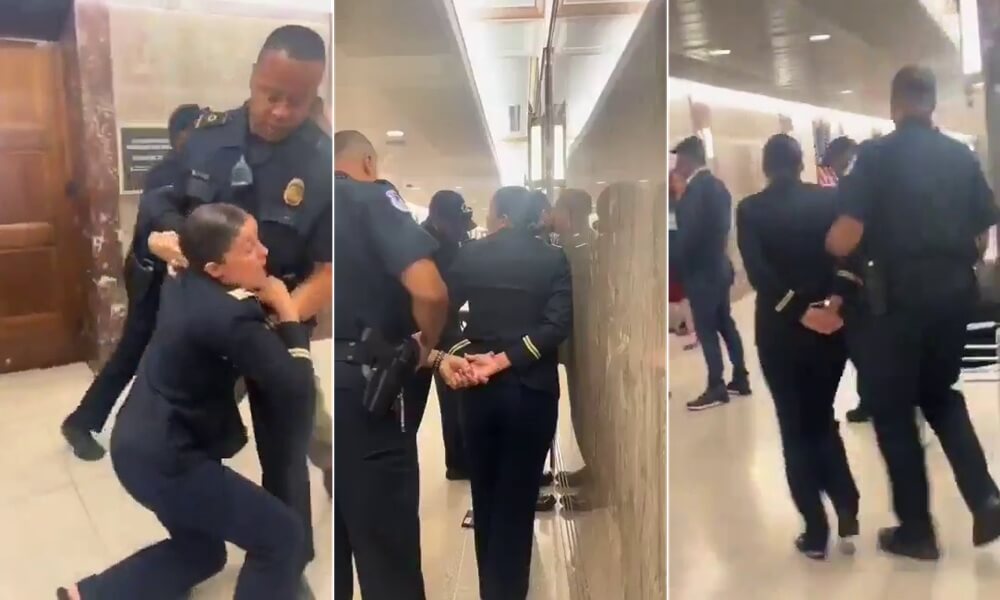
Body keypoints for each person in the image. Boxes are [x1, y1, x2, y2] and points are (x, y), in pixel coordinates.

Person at [137, 25, 331, 584]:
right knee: (180, 433)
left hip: (271, 326)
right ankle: (194, 547)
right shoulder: (206, 139)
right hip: (200, 329)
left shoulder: (321, 162)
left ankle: (288, 568)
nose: (281, 111)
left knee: (285, 451)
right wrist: (163, 236)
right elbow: (158, 203)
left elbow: (328, 270)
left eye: (298, 100)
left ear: (316, 93)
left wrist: (278, 315)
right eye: (272, 94)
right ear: (253, 77)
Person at [58, 203, 313, 600]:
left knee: (202, 552)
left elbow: (174, 244)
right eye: (249, 248)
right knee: (283, 537)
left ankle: (89, 595)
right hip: (169, 460)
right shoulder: (230, 318)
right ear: (215, 269)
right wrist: (288, 310)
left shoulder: (180, 276)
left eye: (259, 240)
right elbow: (297, 389)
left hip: (137, 444)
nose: (264, 253)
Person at [827, 65, 1000, 559]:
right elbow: (981, 233)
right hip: (955, 297)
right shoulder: (960, 156)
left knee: (893, 411)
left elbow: (847, 233)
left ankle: (917, 530)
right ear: (933, 103)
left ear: (894, 105)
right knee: (940, 394)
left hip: (895, 305)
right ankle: (985, 498)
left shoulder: (874, 157)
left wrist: (830, 245)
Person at [333, 129, 476, 599]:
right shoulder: (371, 199)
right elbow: (430, 292)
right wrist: (423, 345)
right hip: (367, 387)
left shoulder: (304, 202)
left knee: (333, 531)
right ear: (368, 162)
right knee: (386, 543)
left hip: (305, 383)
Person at [443, 186, 573, 599]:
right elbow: (557, 326)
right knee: (518, 499)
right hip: (532, 390)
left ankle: (491, 590)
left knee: (484, 493)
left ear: (499, 214)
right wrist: (507, 359)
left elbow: (440, 313)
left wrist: (464, 355)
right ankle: (509, 591)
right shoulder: (553, 258)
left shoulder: (470, 254)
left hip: (477, 389)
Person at [737, 134, 860, 560]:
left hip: (779, 332)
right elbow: (849, 258)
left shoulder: (750, 210)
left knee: (793, 426)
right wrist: (834, 302)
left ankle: (815, 530)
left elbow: (759, 274)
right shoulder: (830, 201)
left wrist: (796, 311)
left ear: (765, 167)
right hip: (830, 327)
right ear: (801, 163)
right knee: (821, 415)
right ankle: (846, 501)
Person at [61, 102, 204, 461]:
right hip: (151, 277)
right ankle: (80, 423)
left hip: (179, 278)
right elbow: (165, 219)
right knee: (132, 352)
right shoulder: (166, 172)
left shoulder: (200, 169)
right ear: (182, 136)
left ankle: (171, 428)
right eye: (201, 130)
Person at [400, 189, 476, 479]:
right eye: (457, 224)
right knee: (410, 405)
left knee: (456, 400)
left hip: (447, 331)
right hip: (417, 333)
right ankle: (401, 463)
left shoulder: (454, 245)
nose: (462, 230)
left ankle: (458, 463)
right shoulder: (416, 246)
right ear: (439, 219)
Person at [672, 136, 751, 410]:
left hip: (701, 272)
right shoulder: (718, 186)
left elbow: (689, 237)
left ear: (688, 159)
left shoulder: (695, 191)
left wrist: (676, 266)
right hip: (719, 266)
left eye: (679, 159)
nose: (676, 165)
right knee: (725, 323)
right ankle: (740, 377)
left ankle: (716, 386)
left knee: (706, 330)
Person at [551, 188, 596, 510]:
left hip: (586, 344)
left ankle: (600, 483)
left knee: (590, 413)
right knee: (581, 411)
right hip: (578, 343)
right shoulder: (575, 245)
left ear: (569, 213)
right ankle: (593, 469)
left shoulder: (580, 249)